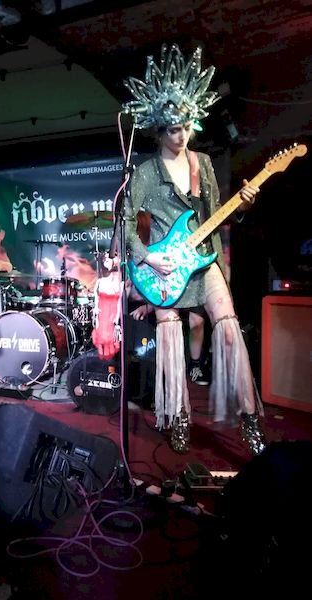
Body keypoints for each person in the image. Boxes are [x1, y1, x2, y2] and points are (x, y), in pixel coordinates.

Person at [122, 43, 266, 455]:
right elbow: (127, 223)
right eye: (173, 128)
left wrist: (242, 208)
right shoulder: (145, 173)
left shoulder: (202, 163)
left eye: (186, 125)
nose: (181, 134)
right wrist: (148, 256)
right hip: (163, 267)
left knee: (229, 329)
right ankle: (178, 417)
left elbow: (216, 215)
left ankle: (250, 420)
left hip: (202, 260)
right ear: (158, 129)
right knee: (170, 339)